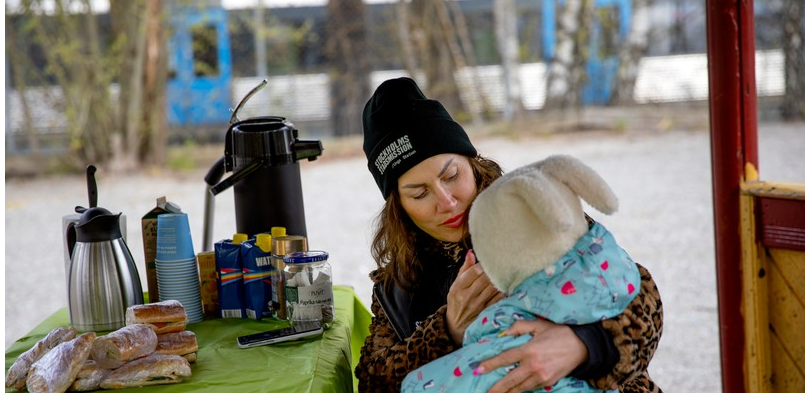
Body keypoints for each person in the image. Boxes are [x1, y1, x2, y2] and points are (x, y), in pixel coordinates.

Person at [354, 77, 663, 393]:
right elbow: (373, 382)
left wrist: (583, 346)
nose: (446, 202)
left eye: (451, 175)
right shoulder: (399, 285)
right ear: (399, 207)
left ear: (472, 164)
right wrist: (446, 331)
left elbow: (640, 298)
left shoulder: (526, 209)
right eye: (419, 193)